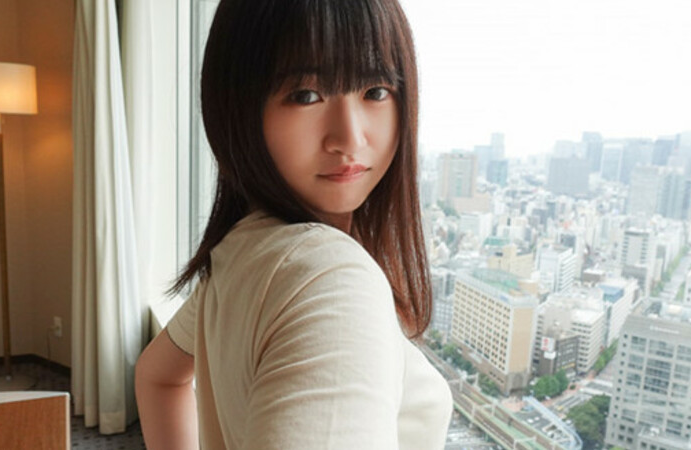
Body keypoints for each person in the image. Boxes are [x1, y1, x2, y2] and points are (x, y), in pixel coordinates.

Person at [135, 0, 453, 448]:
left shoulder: (244, 250)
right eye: (306, 95)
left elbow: (157, 375)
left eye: (376, 91)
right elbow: (157, 377)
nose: (350, 138)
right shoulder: (331, 281)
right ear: (237, 108)